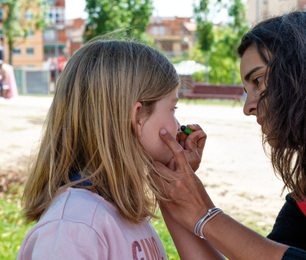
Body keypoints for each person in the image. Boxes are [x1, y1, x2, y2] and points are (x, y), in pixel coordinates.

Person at [151, 11, 306, 259]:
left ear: (304, 69)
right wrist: (177, 191)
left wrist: (205, 213)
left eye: (258, 81)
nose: (247, 107)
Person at [17, 40, 208, 259]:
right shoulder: (75, 227)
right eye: (172, 108)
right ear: (137, 117)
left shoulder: (113, 212)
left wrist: (173, 185)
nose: (178, 126)